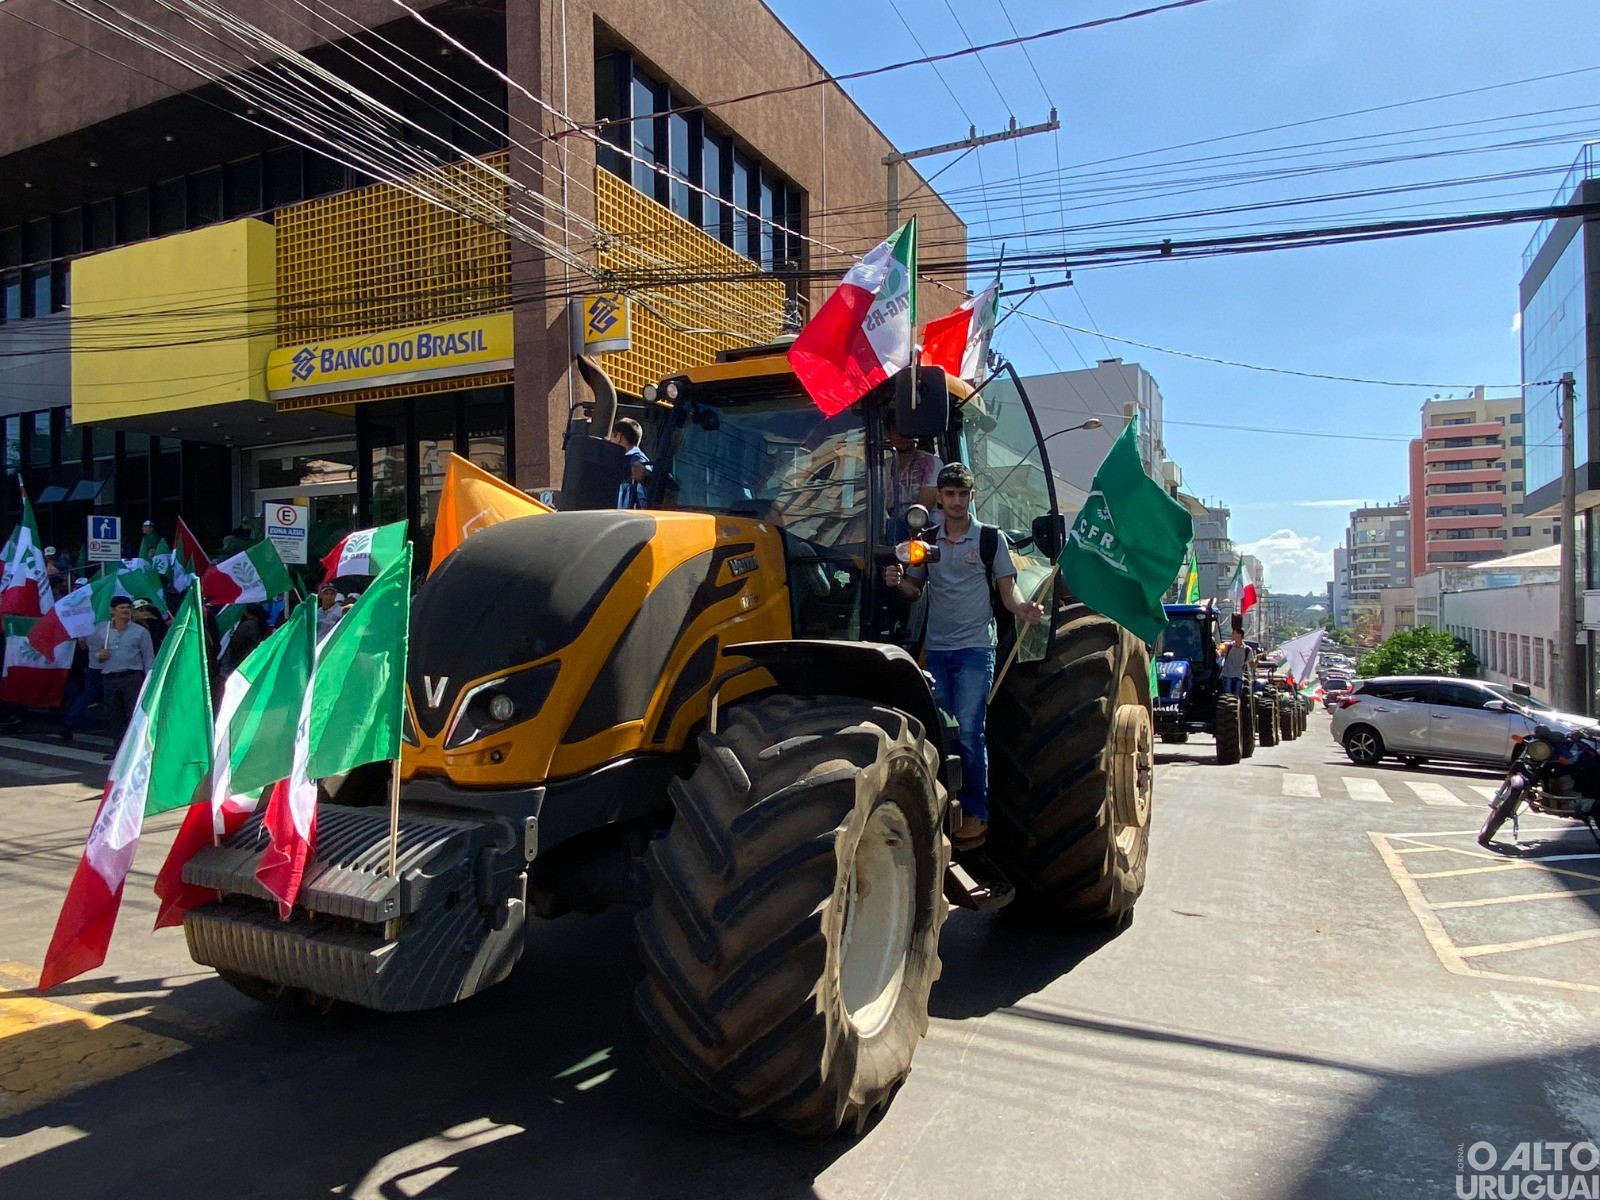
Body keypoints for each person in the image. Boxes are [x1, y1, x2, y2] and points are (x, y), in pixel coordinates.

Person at [881, 462, 1045, 850]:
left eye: (963, 494)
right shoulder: (928, 541)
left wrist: (1023, 610)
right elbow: (914, 591)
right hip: (937, 649)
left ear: (973, 496)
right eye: (949, 494)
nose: (956, 501)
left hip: (975, 648)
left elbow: (1008, 591)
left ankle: (976, 813)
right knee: (940, 734)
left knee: (970, 732)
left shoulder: (990, 539)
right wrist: (897, 582)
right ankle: (942, 811)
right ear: (940, 497)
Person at [93, 595, 155, 756]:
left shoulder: (141, 632)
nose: (126, 611)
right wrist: (100, 655)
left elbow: (149, 658)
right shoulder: (103, 631)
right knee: (115, 715)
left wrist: (150, 680)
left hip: (132, 678)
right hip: (110, 677)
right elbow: (94, 656)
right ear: (112, 611)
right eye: (122, 608)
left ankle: (135, 751)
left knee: (132, 714)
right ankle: (119, 750)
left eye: (128, 608)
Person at [884, 409, 942, 514]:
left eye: (908, 431)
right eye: (899, 432)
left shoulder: (930, 463)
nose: (904, 437)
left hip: (924, 524)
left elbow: (922, 509)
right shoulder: (882, 467)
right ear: (887, 433)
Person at [608, 418, 651, 509]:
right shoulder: (634, 459)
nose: (610, 441)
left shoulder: (637, 461)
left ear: (618, 437)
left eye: (612, 437)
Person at [1219, 628, 1252, 697]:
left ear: (1239, 635)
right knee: (1227, 696)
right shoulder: (1228, 646)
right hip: (1227, 675)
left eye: (1234, 633)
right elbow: (1219, 652)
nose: (1232, 635)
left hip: (1238, 677)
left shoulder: (1247, 649)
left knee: (1237, 698)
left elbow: (1253, 665)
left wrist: (1257, 659)